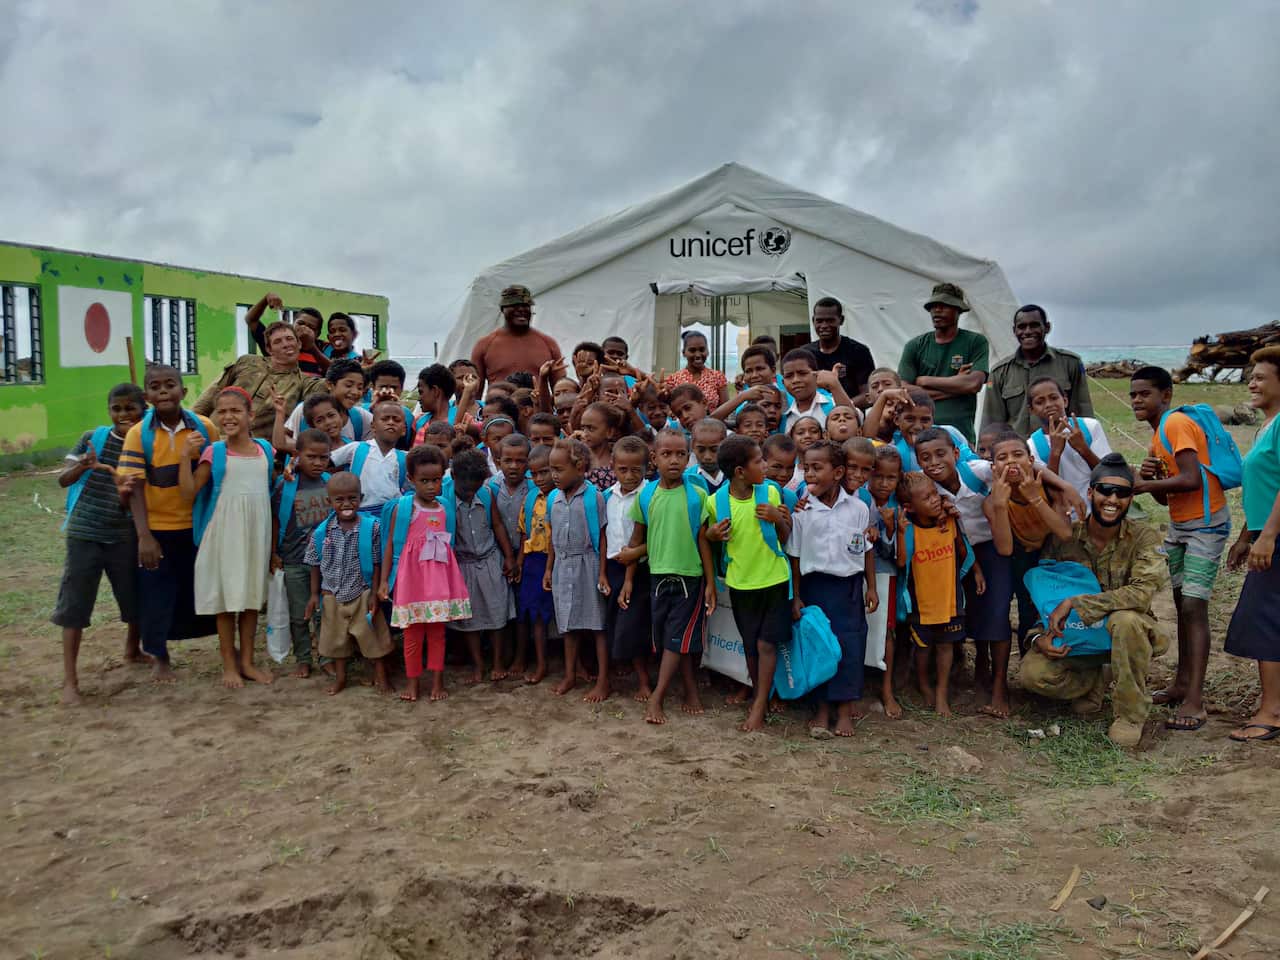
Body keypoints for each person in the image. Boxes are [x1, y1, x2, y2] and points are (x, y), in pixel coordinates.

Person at [1020, 455, 1170, 747]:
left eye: (1122, 493)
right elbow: (1046, 598)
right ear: (1090, 493)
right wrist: (1038, 638)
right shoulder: (1066, 537)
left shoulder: (1144, 538)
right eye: (1104, 490)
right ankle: (1094, 682)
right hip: (1080, 637)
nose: (1112, 499)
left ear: (1130, 498)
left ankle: (1129, 714)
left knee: (1125, 620)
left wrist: (1079, 602)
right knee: (1032, 675)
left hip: (1128, 633)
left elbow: (1142, 593)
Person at [1130, 366, 1231, 732]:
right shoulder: (1158, 435)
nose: (1137, 400)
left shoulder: (1174, 424)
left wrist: (1141, 485)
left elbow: (1191, 479)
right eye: (1133, 395)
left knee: (1193, 606)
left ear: (1166, 395)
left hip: (1206, 525)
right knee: (1181, 603)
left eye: (1145, 394)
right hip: (1181, 525)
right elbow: (1165, 497)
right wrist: (1153, 481)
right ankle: (1181, 684)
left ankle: (1194, 701)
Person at [117, 365, 219, 682]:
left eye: (170, 385)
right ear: (146, 396)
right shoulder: (138, 434)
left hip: (196, 527)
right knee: (155, 595)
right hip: (158, 530)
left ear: (183, 392)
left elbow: (216, 475)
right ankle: (159, 656)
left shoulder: (204, 428)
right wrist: (144, 536)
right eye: (155, 387)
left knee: (194, 591)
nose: (163, 392)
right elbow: (132, 486)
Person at [55, 383, 146, 704]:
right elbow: (63, 478)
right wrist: (83, 464)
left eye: (130, 408)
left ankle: (132, 650)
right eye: (117, 409)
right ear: (109, 411)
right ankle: (70, 681)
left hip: (124, 534)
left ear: (143, 409)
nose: (123, 414)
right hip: (85, 532)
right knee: (74, 604)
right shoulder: (93, 438)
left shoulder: (144, 442)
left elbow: (136, 498)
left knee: (133, 596)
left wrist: (125, 497)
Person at [182, 386, 274, 689]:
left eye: (235, 410)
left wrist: (273, 547)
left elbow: (271, 498)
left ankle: (247, 662)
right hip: (224, 534)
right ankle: (229, 665)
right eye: (222, 411)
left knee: (249, 599)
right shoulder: (214, 453)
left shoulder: (265, 451)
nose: (228, 416)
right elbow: (188, 493)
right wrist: (185, 456)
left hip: (255, 534)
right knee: (225, 601)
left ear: (251, 415)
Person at [914, 427, 1010, 717]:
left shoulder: (979, 472)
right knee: (969, 610)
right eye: (925, 458)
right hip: (958, 554)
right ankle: (979, 664)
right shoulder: (930, 492)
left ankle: (999, 686)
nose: (934, 463)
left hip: (995, 547)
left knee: (997, 613)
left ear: (956, 453)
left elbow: (1021, 470)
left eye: (941, 454)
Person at [788, 440, 877, 738]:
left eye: (817, 467)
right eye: (806, 467)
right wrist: (797, 596)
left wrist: (871, 587)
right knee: (819, 646)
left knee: (850, 647)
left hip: (849, 588)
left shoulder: (859, 508)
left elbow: (866, 551)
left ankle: (843, 710)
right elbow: (796, 557)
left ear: (838, 472)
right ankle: (821, 709)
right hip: (815, 587)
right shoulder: (802, 511)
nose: (809, 473)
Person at [705, 435, 793, 732]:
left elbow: (784, 538)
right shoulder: (715, 502)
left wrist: (777, 519)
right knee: (751, 646)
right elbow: (707, 538)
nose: (765, 466)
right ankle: (761, 695)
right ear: (740, 471)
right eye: (758, 461)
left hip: (775, 581)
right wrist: (711, 536)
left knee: (767, 644)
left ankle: (758, 704)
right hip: (741, 585)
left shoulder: (770, 492)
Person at [626, 428, 715, 724]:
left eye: (680, 454)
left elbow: (704, 541)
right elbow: (638, 539)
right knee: (670, 639)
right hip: (657, 576)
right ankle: (690, 689)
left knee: (677, 637)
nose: (674, 460)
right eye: (666, 454)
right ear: (654, 458)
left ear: (688, 458)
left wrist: (711, 584)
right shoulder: (646, 494)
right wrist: (628, 578)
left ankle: (658, 697)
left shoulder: (697, 495)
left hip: (690, 578)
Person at [380, 445, 473, 703]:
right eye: (424, 481)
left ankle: (437, 682)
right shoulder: (404, 509)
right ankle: (413, 683)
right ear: (410, 480)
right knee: (412, 634)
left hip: (439, 580)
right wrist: (383, 582)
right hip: (411, 582)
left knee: (437, 633)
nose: (431, 486)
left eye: (435, 480)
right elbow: (391, 546)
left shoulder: (445, 508)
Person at [1224, 346, 1280, 742]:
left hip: (1278, 537)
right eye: (1251, 376)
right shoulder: (1267, 425)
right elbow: (1266, 488)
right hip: (1266, 534)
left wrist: (1270, 536)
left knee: (1264, 623)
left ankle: (1272, 711)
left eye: (1260, 377)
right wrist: (1247, 536)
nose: (1252, 383)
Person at [304, 472, 394, 695]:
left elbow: (376, 563)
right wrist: (314, 594)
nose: (346, 504)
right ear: (329, 501)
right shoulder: (321, 533)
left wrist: (373, 593)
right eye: (340, 499)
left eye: (352, 498)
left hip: (361, 592)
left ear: (361, 498)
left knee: (373, 638)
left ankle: (381, 677)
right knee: (336, 643)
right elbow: (315, 564)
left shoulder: (371, 528)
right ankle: (341, 679)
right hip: (332, 594)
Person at [897, 471, 978, 717]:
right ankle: (922, 684)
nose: (934, 500)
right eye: (926, 497)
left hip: (950, 601)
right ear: (909, 507)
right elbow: (902, 563)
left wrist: (977, 572)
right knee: (922, 650)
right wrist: (900, 533)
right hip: (921, 605)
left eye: (934, 493)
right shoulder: (910, 529)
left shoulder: (949, 521)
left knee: (946, 648)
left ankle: (942, 693)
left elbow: (963, 552)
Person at [545, 438, 611, 701]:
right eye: (552, 469)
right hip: (563, 566)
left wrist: (603, 572)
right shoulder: (554, 498)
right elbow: (551, 537)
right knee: (567, 625)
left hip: (589, 565)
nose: (554, 475)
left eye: (559, 470)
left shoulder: (593, 498)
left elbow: (603, 538)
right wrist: (549, 569)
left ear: (579, 467)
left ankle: (604, 680)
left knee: (597, 626)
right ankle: (570, 674)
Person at [270, 429, 333, 679]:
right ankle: (303, 658)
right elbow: (275, 521)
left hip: (325, 562)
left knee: (324, 614)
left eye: (323, 457)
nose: (318, 463)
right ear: (297, 455)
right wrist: (273, 553)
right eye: (311, 457)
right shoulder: (285, 485)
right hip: (294, 560)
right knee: (299, 615)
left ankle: (326, 657)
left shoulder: (330, 483)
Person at [194, 320, 327, 439]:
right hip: (212, 441)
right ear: (269, 349)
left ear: (299, 344)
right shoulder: (247, 362)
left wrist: (313, 347)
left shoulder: (304, 382)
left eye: (289, 339)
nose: (286, 344)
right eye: (278, 341)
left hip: (253, 451)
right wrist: (191, 423)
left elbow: (337, 381)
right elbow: (213, 393)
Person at [450, 449, 517, 683]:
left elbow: (497, 525)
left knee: (497, 613)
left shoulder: (487, 493)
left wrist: (509, 557)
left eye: (474, 489)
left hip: (490, 561)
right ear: (453, 477)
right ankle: (477, 665)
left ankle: (497, 663)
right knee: (469, 619)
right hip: (463, 565)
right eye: (465, 490)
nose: (470, 494)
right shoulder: (446, 499)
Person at [898, 282, 989, 445]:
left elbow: (974, 384)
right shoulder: (915, 345)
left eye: (944, 306)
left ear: (958, 310)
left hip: (961, 435)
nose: (937, 311)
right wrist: (957, 386)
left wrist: (925, 381)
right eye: (933, 306)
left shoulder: (975, 342)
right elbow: (904, 391)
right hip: (919, 435)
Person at [983, 305, 1093, 436]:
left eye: (1034, 325)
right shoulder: (1000, 372)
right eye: (1022, 327)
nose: (1028, 331)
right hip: (1019, 452)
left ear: (1047, 327)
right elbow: (991, 423)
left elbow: (1083, 412)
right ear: (1014, 330)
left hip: (1062, 445)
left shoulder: (1070, 363)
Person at [606, 436, 653, 701]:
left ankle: (644, 680)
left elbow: (648, 538)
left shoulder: (648, 496)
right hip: (613, 568)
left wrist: (629, 578)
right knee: (614, 623)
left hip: (639, 571)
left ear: (647, 467)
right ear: (613, 466)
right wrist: (603, 572)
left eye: (636, 469)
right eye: (623, 469)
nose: (629, 475)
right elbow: (604, 536)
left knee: (633, 625)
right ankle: (619, 671)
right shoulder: (607, 496)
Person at [1026, 376, 1112, 501]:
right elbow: (1049, 491)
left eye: (1054, 398)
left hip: (1098, 510)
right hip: (1066, 515)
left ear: (1065, 400)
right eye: (1040, 402)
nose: (1049, 404)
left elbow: (1109, 474)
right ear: (1031, 410)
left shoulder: (1090, 427)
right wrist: (1055, 453)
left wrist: (1083, 448)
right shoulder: (1032, 445)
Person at [518, 445, 558, 683]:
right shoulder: (531, 497)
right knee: (536, 616)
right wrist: (520, 562)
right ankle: (541, 664)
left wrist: (551, 567)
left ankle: (579, 664)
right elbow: (524, 532)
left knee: (565, 613)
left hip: (558, 560)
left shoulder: (561, 497)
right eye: (535, 474)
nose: (540, 478)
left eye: (545, 472)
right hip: (535, 560)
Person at [471, 285, 563, 387]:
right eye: (514, 305)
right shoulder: (484, 345)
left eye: (525, 305)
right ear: (502, 309)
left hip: (537, 402)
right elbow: (474, 393)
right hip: (499, 402)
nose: (521, 309)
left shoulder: (548, 343)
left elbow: (561, 388)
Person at [276, 359, 372, 454]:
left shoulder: (361, 417)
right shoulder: (304, 409)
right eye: (348, 385)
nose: (355, 392)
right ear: (330, 384)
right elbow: (283, 438)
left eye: (360, 387)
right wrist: (306, 448)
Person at [329, 402, 409, 516]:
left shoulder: (405, 458)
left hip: (390, 514)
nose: (391, 422)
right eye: (385, 419)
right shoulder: (357, 448)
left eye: (396, 420)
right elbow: (326, 462)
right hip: (358, 512)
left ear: (403, 430)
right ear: (373, 426)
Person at [801, 296, 876, 404]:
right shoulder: (804, 354)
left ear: (841, 320)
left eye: (830, 320)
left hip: (849, 417)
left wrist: (841, 408)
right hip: (813, 417)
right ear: (813, 321)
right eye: (819, 321)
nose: (824, 325)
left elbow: (868, 394)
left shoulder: (859, 351)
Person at [243, 295, 328, 376]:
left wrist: (311, 347)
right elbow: (251, 320)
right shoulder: (278, 344)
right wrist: (265, 299)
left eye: (311, 327)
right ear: (293, 324)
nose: (304, 329)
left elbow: (336, 373)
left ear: (318, 334)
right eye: (300, 323)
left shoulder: (324, 348)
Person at [665, 331, 729, 409]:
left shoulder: (718, 377)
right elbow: (669, 410)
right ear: (684, 353)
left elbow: (726, 409)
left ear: (707, 351)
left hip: (713, 420)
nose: (698, 355)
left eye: (702, 350)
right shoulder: (673, 380)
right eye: (692, 350)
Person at [686, 418, 727, 494]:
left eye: (714, 450)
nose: (707, 457)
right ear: (692, 447)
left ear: (726, 446)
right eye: (701, 450)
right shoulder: (687, 479)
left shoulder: (735, 476)